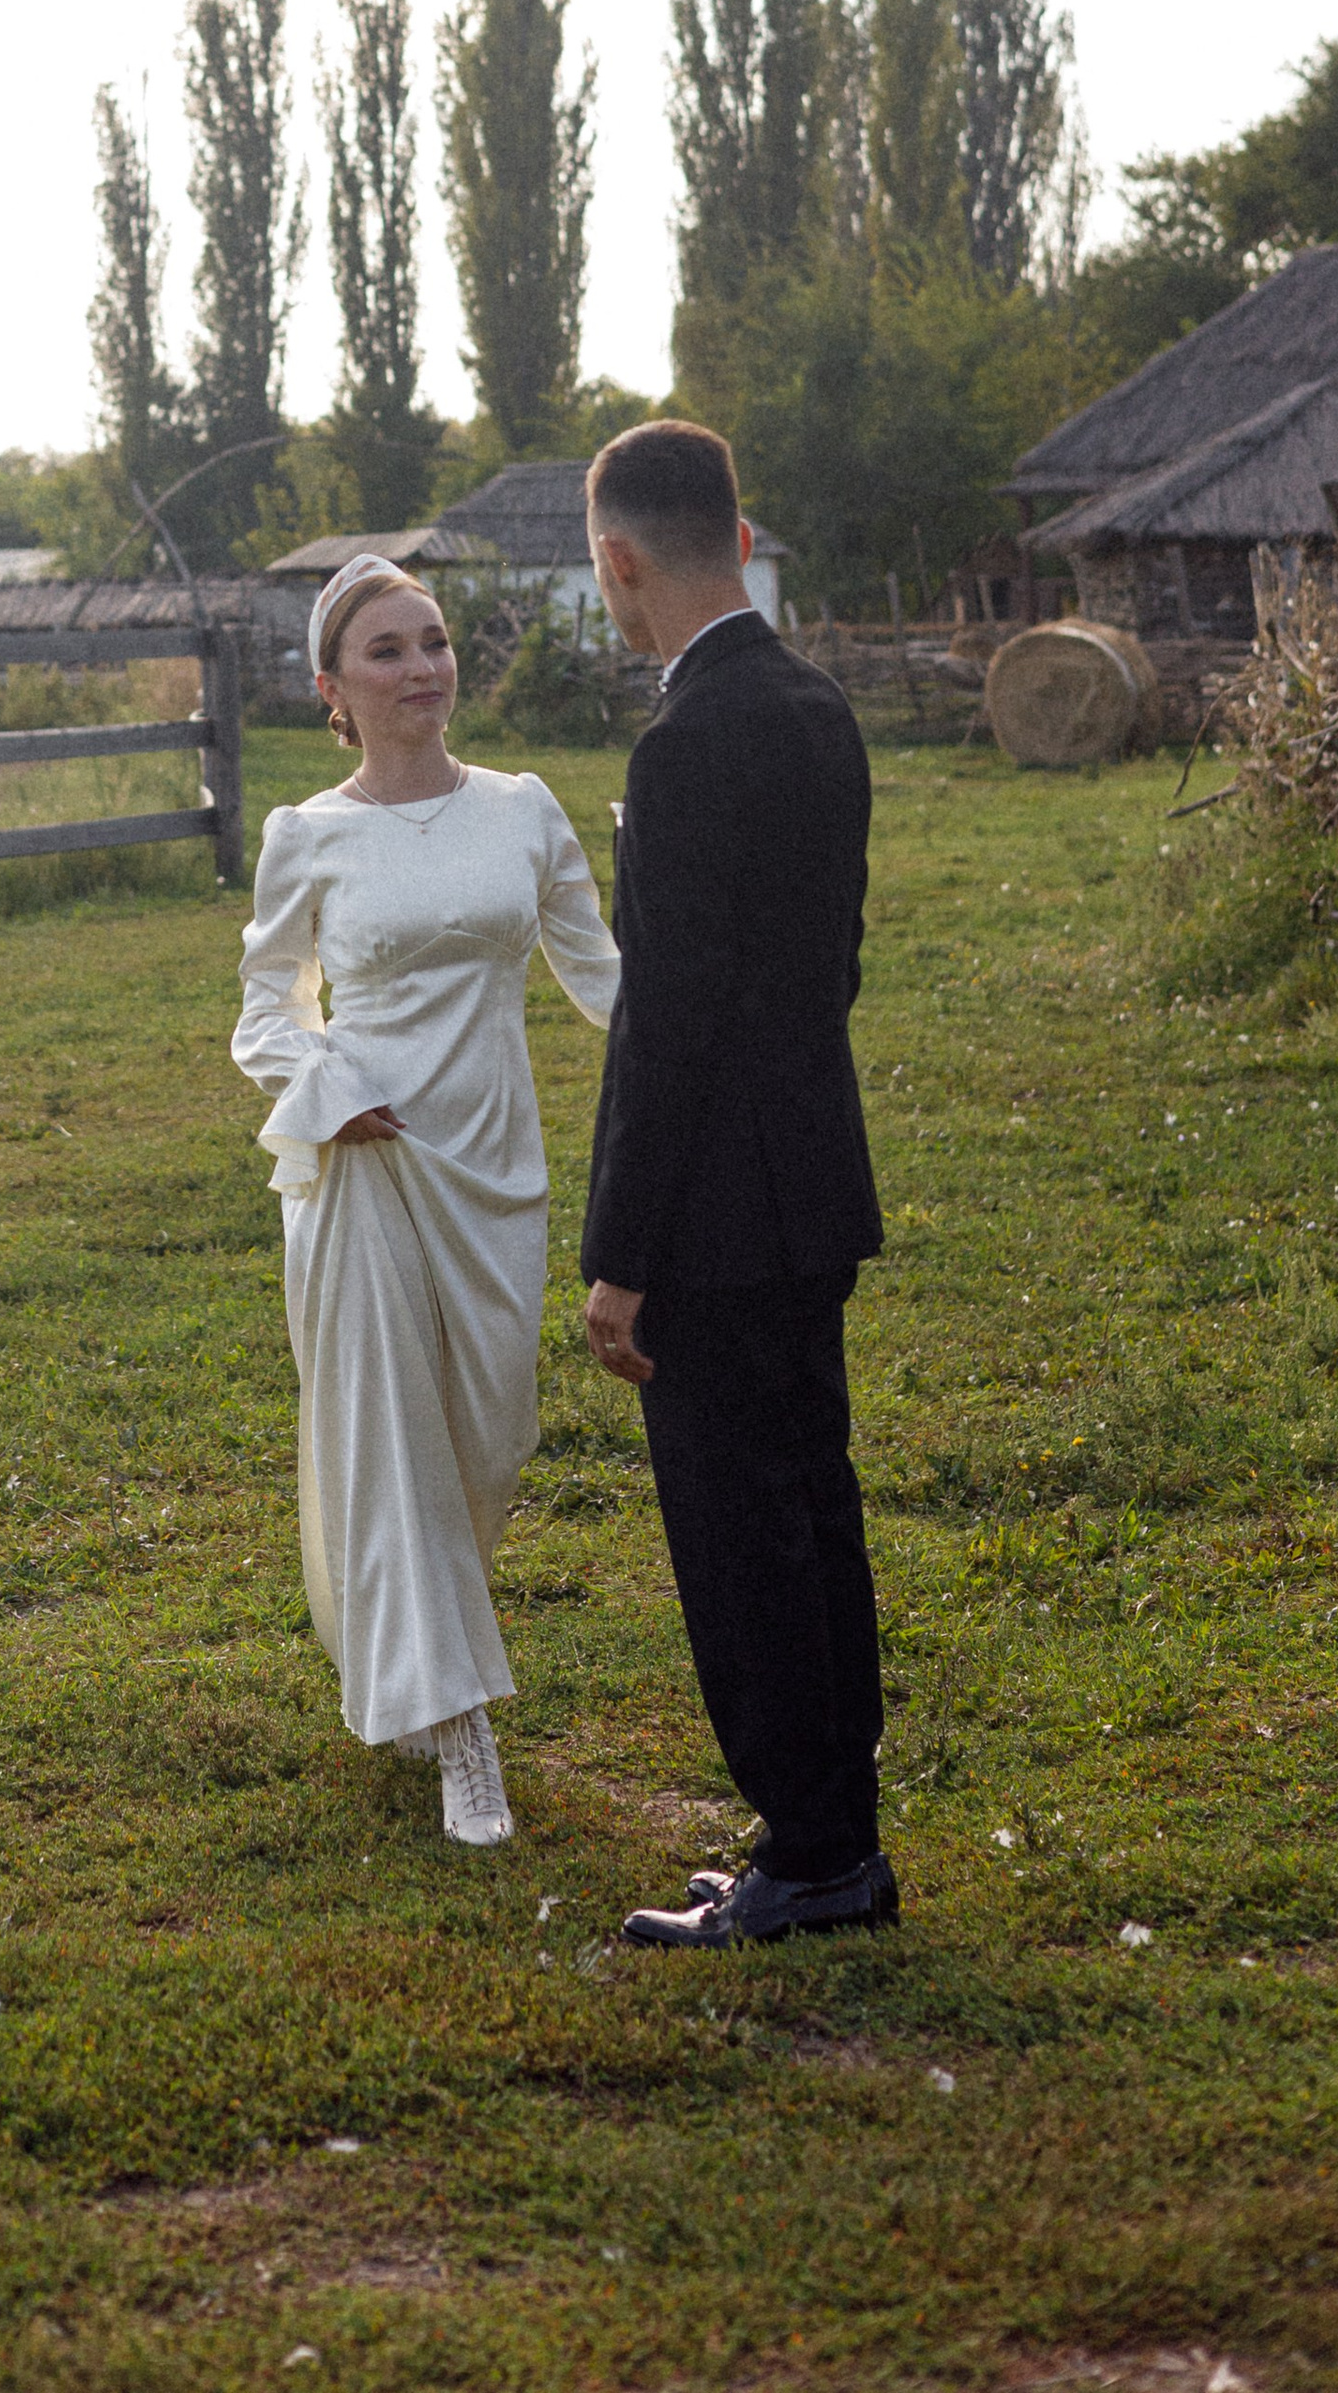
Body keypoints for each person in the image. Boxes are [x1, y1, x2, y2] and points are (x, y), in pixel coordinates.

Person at [232, 555, 620, 1847]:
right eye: (388, 651)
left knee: (488, 1439)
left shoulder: (524, 808)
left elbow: (610, 982)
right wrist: (323, 1087)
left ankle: (410, 1648)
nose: (422, 669)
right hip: (364, 1164)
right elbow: (265, 1011)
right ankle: (464, 1733)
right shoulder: (308, 835)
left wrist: (725, 1045)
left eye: (436, 642)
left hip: (495, 1162)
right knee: (394, 1441)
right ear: (334, 686)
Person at [577, 420, 897, 1949]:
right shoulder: (819, 706)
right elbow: (824, 966)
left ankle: (815, 1857)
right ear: (745, 530)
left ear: (621, 560)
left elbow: (669, 1020)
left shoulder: (683, 742)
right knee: (812, 1512)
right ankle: (834, 1833)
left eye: (603, 575)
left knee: (739, 1531)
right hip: (815, 1183)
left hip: (710, 1219)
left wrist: (619, 1252)